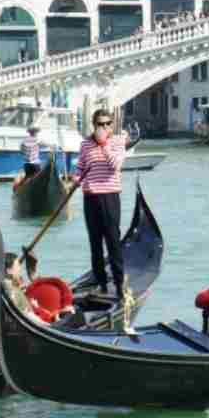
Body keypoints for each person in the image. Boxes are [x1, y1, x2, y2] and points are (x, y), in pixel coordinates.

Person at [67, 109, 128, 296]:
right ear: (94, 125)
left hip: (110, 197)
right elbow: (80, 167)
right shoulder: (85, 144)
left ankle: (119, 284)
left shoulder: (118, 142)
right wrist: (74, 179)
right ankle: (101, 283)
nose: (104, 127)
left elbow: (115, 165)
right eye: (100, 124)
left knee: (113, 241)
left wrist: (104, 144)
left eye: (108, 123)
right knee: (95, 243)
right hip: (90, 197)